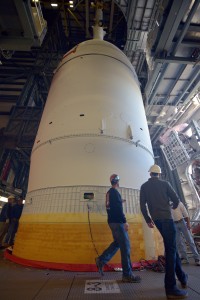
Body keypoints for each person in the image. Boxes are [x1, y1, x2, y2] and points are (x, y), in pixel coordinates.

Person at [140, 164, 188, 299]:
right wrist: (171, 206)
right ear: (159, 174)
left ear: (150, 174)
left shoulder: (144, 186)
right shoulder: (165, 184)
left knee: (172, 248)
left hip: (156, 221)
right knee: (171, 251)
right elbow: (176, 199)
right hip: (167, 219)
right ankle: (171, 287)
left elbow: (142, 205)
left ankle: (183, 278)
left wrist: (148, 219)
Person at [95, 174, 141, 283]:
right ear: (117, 182)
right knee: (125, 247)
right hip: (118, 222)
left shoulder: (109, 193)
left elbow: (111, 207)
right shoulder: (115, 193)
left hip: (111, 222)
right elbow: (119, 209)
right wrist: (124, 221)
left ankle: (101, 260)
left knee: (117, 243)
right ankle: (127, 275)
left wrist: (120, 201)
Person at [171, 201, 200, 266]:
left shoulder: (179, 203)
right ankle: (184, 258)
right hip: (174, 224)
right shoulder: (168, 205)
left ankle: (197, 258)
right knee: (179, 242)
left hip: (182, 222)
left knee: (190, 240)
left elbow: (186, 214)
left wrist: (189, 224)